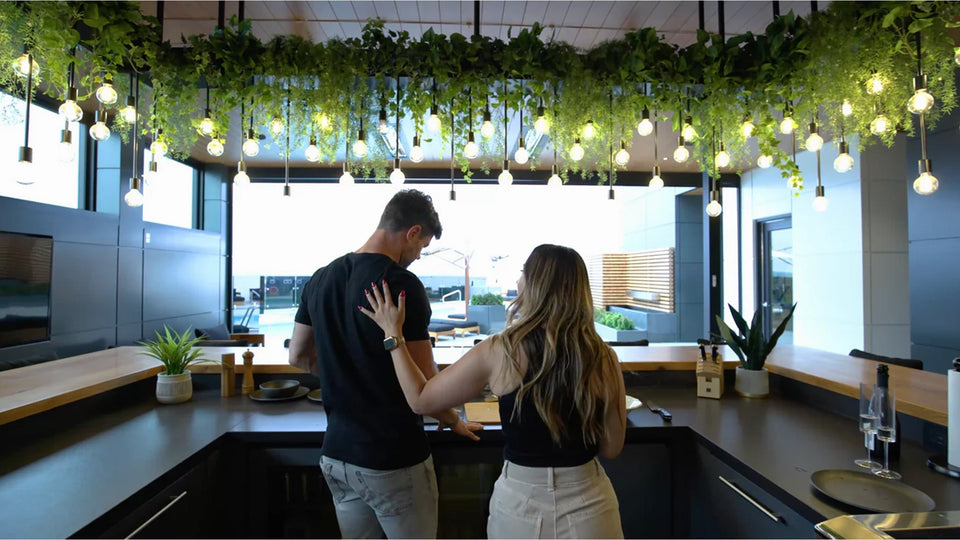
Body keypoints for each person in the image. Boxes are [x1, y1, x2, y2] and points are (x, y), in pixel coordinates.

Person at [361, 243, 627, 539]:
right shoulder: (603, 356)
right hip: (590, 504)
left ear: (537, 284)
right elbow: (611, 447)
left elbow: (420, 400)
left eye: (524, 272)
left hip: (520, 506)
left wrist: (393, 336)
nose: (518, 280)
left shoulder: (502, 350)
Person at [288, 189, 483, 539]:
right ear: (412, 232)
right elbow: (427, 386)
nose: (418, 257)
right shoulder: (400, 284)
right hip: (392, 459)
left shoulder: (320, 278)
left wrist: (346, 374)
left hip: (336, 457)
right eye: (421, 246)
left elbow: (298, 356)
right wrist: (454, 420)